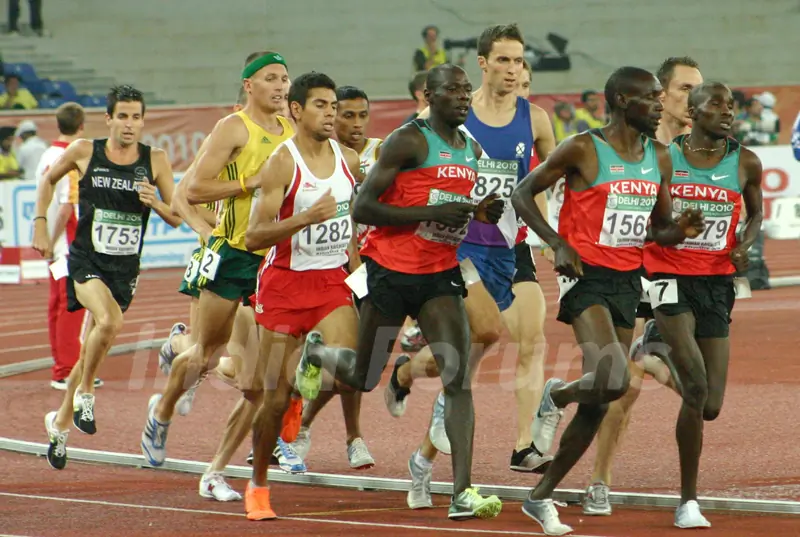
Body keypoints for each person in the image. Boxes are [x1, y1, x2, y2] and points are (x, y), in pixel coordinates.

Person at [294, 64, 505, 520]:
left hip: (439, 275)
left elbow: (449, 208)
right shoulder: (409, 140)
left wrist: (478, 212)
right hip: (389, 272)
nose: (463, 96)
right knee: (363, 377)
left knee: (458, 377)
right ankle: (316, 353)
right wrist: (430, 213)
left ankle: (462, 493)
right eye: (452, 89)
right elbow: (363, 205)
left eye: (467, 89)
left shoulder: (472, 148)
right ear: (429, 95)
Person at [510, 66, 705, 535]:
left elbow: (657, 229)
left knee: (599, 399)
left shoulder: (658, 157)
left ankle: (540, 497)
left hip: (627, 280)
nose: (660, 106)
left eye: (661, 98)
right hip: (584, 276)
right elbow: (522, 193)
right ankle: (554, 396)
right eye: (651, 99)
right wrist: (556, 242)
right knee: (615, 377)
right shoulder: (583, 147)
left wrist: (678, 231)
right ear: (621, 100)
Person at [388, 26, 557, 512]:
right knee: (482, 338)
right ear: (483, 63)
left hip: (508, 246)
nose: (512, 70)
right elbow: (405, 161)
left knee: (485, 355)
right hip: (456, 248)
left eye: (518, 61)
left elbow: (544, 178)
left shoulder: (537, 120)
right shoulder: (450, 115)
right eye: (503, 60)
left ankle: (427, 456)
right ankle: (451, 474)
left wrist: (551, 236)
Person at [140, 52, 294, 468]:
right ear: (249, 85)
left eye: (284, 78)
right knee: (205, 353)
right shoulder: (232, 128)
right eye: (270, 79)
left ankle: (244, 456)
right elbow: (191, 191)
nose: (281, 86)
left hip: (275, 259)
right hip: (233, 255)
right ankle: (161, 413)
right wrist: (248, 184)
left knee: (266, 372)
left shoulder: (290, 130)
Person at [34, 85, 181, 470]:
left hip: (124, 270)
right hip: (85, 261)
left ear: (143, 121)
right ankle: (84, 394)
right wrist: (39, 225)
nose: (130, 124)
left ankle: (60, 424)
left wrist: (156, 203)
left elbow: (177, 215)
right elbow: (48, 181)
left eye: (137, 117)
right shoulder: (85, 151)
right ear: (110, 119)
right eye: (124, 116)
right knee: (109, 321)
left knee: (95, 346)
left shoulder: (156, 160)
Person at [583, 56, 703, 516]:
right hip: (633, 273)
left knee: (698, 390)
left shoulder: (703, 147)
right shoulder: (637, 145)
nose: (694, 98)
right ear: (663, 94)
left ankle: (650, 361)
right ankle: (600, 481)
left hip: (682, 281)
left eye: (699, 88)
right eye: (684, 89)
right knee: (622, 387)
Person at [242, 71, 363, 520]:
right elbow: (255, 235)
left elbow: (347, 223)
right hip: (285, 284)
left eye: (333, 106)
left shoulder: (348, 158)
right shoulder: (282, 162)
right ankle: (257, 485)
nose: (331, 114)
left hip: (331, 281)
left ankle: (311, 361)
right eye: (321, 106)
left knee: (355, 371)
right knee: (272, 401)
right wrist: (305, 218)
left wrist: (358, 272)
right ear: (296, 109)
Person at [644, 82, 762, 528]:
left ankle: (654, 356)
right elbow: (649, 221)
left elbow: (756, 215)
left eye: (730, 105)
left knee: (710, 404)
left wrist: (744, 246)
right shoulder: (664, 159)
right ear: (692, 112)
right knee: (694, 391)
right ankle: (687, 501)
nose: (727, 111)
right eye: (716, 104)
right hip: (668, 276)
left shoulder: (745, 161)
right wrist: (671, 233)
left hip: (716, 283)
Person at [288, 85, 378, 470]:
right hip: (307, 271)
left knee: (355, 366)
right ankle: (286, 428)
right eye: (347, 115)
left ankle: (347, 435)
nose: (356, 124)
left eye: (362, 116)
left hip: (362, 269)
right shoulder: (306, 155)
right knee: (270, 369)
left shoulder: (371, 155)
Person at [34, 103, 102, 390]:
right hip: (67, 244)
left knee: (57, 306)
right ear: (82, 125)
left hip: (54, 243)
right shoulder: (70, 157)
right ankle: (66, 369)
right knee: (72, 307)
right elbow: (66, 207)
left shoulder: (46, 155)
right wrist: (53, 239)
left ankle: (61, 364)